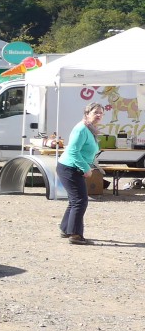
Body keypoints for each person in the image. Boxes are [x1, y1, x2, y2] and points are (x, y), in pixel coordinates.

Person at [56, 102, 103, 245]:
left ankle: (66, 229)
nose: (99, 115)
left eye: (101, 113)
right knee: (80, 201)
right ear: (87, 113)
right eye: (96, 112)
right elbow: (73, 151)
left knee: (75, 201)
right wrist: (86, 168)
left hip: (73, 167)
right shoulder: (81, 129)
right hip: (69, 168)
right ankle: (75, 235)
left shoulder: (90, 129)